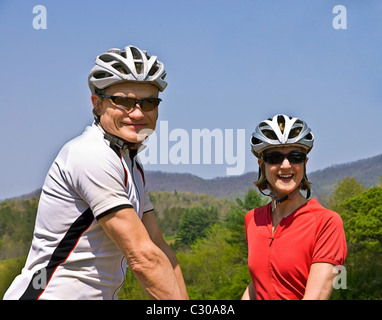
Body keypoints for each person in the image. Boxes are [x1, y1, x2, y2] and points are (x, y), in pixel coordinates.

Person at [4, 45, 188, 300]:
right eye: (123, 101)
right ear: (97, 104)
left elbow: (158, 246)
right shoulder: (91, 154)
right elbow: (143, 257)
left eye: (148, 102)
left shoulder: (129, 163)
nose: (137, 113)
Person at [242, 114, 347, 300]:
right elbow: (257, 284)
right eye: (274, 157)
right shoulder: (253, 219)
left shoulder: (326, 223)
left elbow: (316, 296)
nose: (285, 165)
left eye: (295, 157)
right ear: (261, 164)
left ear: (304, 163)